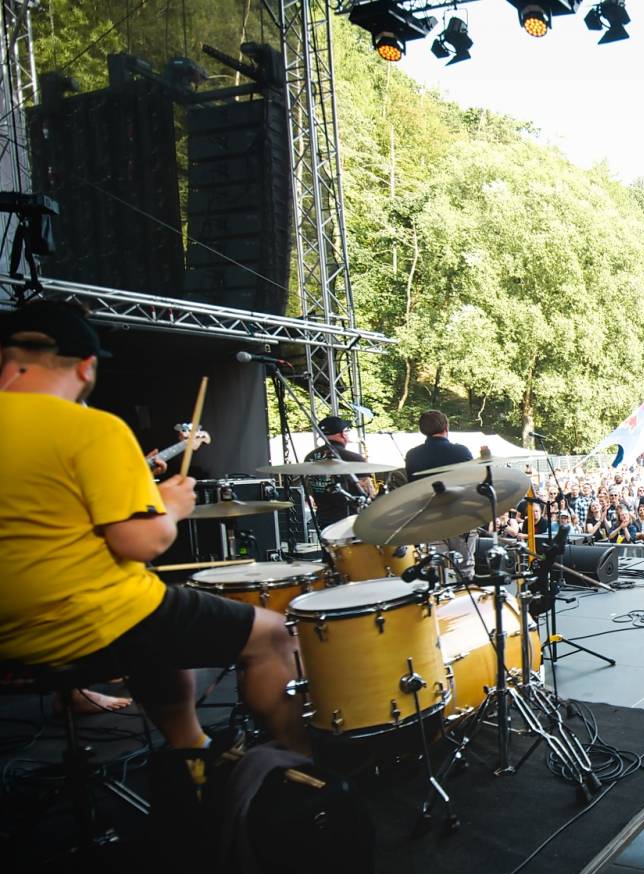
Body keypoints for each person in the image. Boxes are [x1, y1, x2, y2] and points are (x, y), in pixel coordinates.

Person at [0, 301, 310, 781]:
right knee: (271, 634)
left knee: (162, 620)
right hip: (78, 624)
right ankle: (296, 776)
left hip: (10, 641)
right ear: (86, 367)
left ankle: (192, 748)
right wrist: (172, 506)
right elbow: (140, 543)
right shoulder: (92, 428)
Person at [403, 410, 477, 567]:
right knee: (464, 568)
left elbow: (412, 488)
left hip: (429, 519)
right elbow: (473, 484)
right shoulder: (460, 451)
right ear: (446, 427)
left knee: (438, 570)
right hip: (460, 518)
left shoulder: (412, 455)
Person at [304, 414, 373, 531]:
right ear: (342, 434)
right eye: (347, 431)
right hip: (351, 520)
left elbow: (310, 489)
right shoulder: (353, 458)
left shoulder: (309, 458)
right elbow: (368, 492)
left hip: (324, 520)